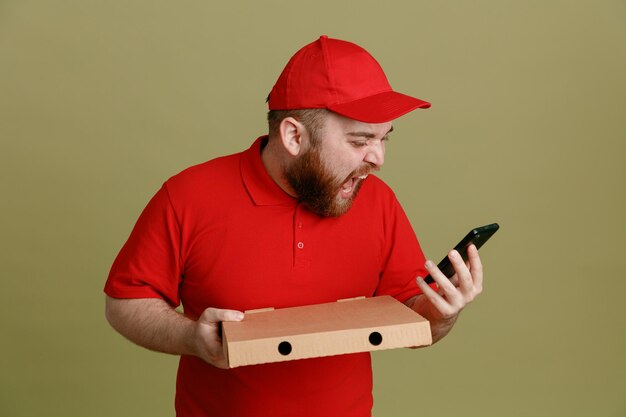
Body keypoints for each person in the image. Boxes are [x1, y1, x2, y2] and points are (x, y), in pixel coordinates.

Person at [104, 35, 483, 417]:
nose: (378, 158)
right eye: (360, 141)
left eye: (384, 139)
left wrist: (443, 314)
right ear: (293, 136)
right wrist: (192, 337)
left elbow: (416, 322)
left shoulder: (378, 200)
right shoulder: (188, 196)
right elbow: (125, 302)